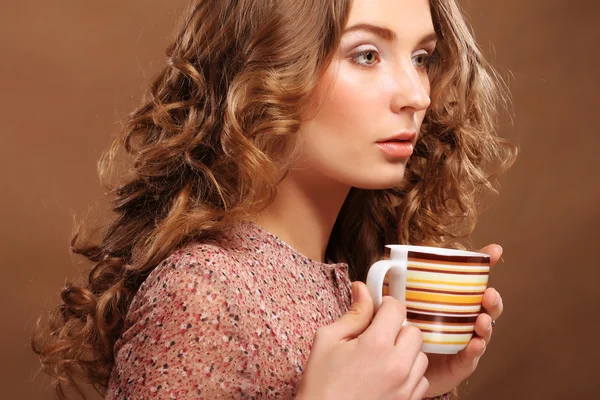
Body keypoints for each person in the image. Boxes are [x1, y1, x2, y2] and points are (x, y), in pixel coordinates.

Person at [32, 0, 517, 398]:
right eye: (367, 55)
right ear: (266, 66)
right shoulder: (202, 293)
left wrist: (413, 382)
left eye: (422, 58)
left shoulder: (354, 276)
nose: (416, 94)